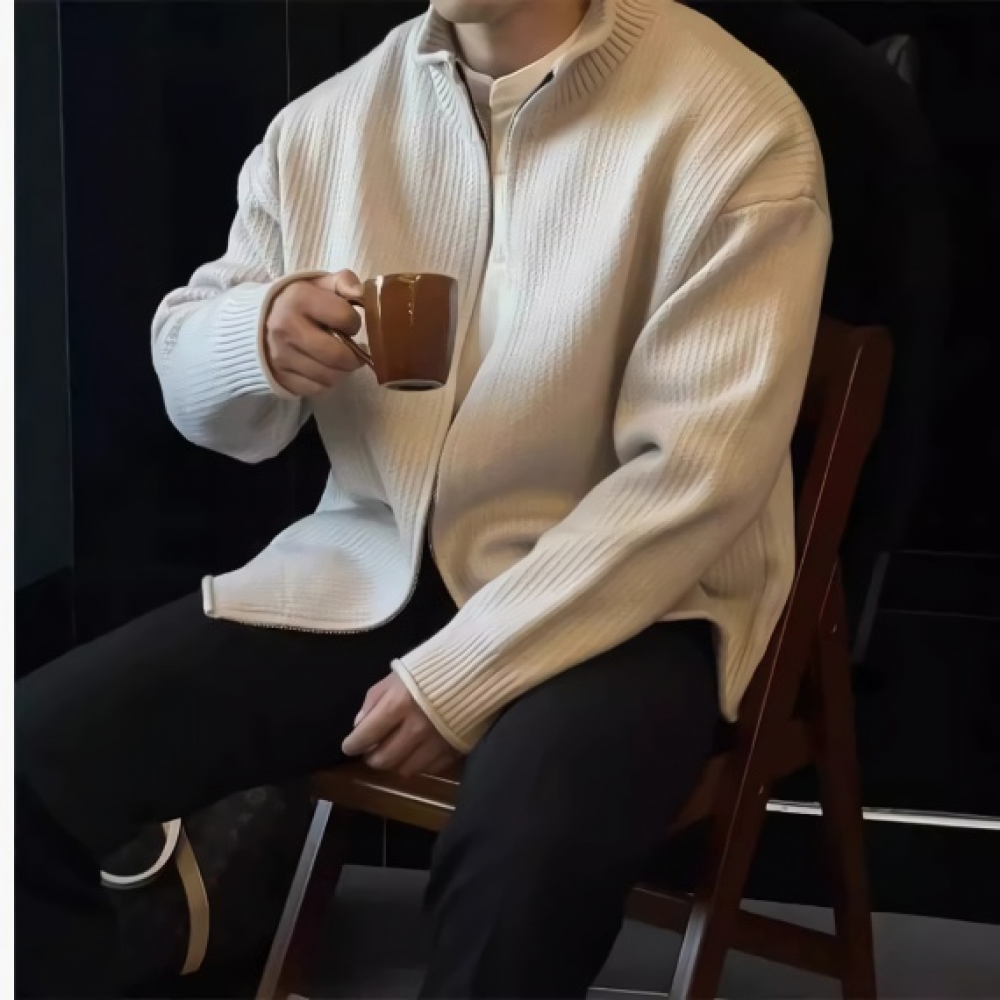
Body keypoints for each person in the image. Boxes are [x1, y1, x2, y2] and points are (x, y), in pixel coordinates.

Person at [15, 0, 832, 996]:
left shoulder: (733, 120)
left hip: (641, 604)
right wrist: (254, 336)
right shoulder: (328, 125)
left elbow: (694, 476)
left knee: (523, 846)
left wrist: (466, 671)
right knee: (24, 771)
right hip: (374, 573)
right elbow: (197, 387)